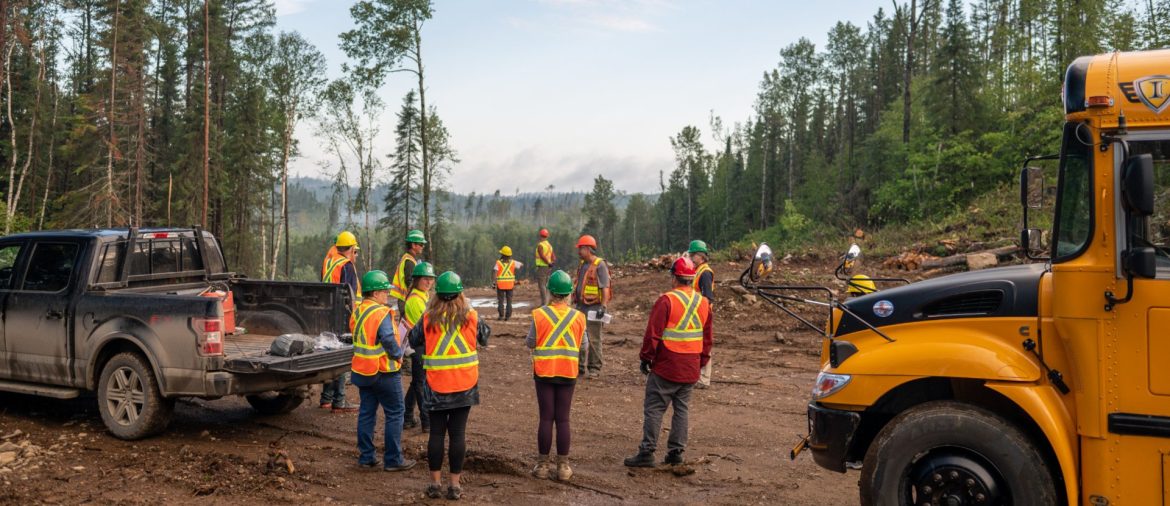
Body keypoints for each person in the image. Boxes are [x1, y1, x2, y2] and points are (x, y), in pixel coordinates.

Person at [407, 271, 491, 501]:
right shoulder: (472, 316)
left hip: (436, 385)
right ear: (460, 293)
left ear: (437, 294)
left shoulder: (427, 318)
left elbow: (412, 340)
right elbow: (485, 337)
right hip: (465, 384)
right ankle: (454, 486)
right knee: (458, 435)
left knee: (436, 435)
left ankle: (435, 484)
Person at [624, 257, 712, 468]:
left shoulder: (667, 300)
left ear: (674, 277)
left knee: (654, 408)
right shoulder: (703, 302)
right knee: (682, 409)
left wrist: (646, 357)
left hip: (667, 365)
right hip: (691, 365)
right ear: (692, 279)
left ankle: (647, 452)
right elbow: (707, 337)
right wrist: (702, 361)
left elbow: (653, 334)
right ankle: (676, 453)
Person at [350, 270, 416, 472]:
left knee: (367, 413)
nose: (387, 294)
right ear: (376, 292)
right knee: (396, 412)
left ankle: (366, 456)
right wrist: (398, 354)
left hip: (363, 371)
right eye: (385, 291)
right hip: (383, 371)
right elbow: (387, 338)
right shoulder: (380, 313)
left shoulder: (359, 311)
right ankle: (393, 459)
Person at [526, 270, 587, 481]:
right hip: (568, 372)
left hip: (544, 372)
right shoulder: (578, 317)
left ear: (550, 291)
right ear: (570, 293)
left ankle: (542, 466)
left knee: (545, 417)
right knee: (562, 419)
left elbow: (530, 342)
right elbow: (584, 345)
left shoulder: (540, 314)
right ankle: (563, 467)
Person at [320, 231, 360, 413]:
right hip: (342, 315)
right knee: (342, 355)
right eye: (356, 250)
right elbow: (349, 294)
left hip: (326, 312)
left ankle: (326, 399)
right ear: (351, 249)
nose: (356, 254)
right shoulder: (347, 266)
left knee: (330, 352)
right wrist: (354, 318)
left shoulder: (330, 261)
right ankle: (340, 401)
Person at [572, 235, 611, 379]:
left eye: (581, 248)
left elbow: (605, 287)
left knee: (594, 339)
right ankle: (579, 368)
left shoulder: (600, 265)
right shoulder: (583, 264)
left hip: (594, 308)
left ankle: (594, 369)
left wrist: (603, 306)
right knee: (579, 338)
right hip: (581, 306)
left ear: (588, 249)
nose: (579, 251)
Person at [403, 262, 436, 432]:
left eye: (431, 279)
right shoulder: (416, 300)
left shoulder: (422, 296)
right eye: (425, 279)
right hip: (419, 346)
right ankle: (427, 423)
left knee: (417, 382)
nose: (429, 282)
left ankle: (406, 417)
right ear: (417, 280)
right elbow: (425, 328)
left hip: (420, 345)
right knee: (421, 384)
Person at [689, 240, 716, 389]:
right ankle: (698, 375)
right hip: (697, 312)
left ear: (700, 256)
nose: (691, 258)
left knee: (704, 344)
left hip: (703, 313)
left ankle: (704, 379)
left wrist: (701, 314)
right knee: (697, 344)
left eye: (693, 255)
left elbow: (707, 297)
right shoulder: (698, 271)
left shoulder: (705, 272)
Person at [390, 229, 428, 315]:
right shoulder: (409, 261)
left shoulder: (408, 258)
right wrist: (417, 297)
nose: (423, 246)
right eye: (421, 244)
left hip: (405, 298)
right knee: (408, 326)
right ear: (413, 245)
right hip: (406, 299)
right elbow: (410, 282)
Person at [493, 246, 521, 321]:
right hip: (510, 285)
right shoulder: (513, 262)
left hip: (501, 285)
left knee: (501, 301)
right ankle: (508, 316)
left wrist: (494, 283)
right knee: (509, 301)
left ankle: (501, 316)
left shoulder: (498, 263)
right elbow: (521, 265)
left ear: (502, 254)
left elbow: (495, 273)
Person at [534, 229, 556, 306]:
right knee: (546, 285)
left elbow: (542, 256)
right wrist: (551, 264)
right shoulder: (549, 246)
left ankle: (544, 303)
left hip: (542, 267)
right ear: (547, 236)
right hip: (548, 267)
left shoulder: (540, 245)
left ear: (540, 235)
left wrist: (548, 263)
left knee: (542, 285)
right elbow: (554, 257)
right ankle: (547, 302)